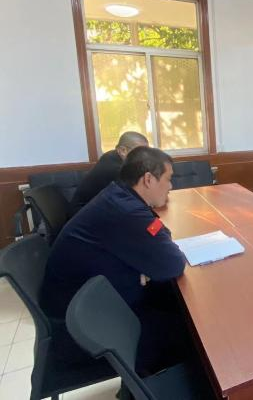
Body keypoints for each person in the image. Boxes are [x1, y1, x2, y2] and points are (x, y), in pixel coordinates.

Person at [41, 146, 187, 375]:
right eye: (168, 179)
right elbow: (173, 263)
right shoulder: (126, 211)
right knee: (191, 333)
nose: (171, 186)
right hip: (85, 328)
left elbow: (161, 233)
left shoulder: (119, 195)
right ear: (148, 179)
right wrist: (145, 265)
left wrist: (146, 264)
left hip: (90, 305)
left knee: (169, 297)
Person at [69, 131, 149, 215]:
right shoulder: (115, 168)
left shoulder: (113, 155)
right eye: (140, 152)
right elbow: (136, 196)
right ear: (122, 150)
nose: (145, 157)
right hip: (83, 214)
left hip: (95, 209)